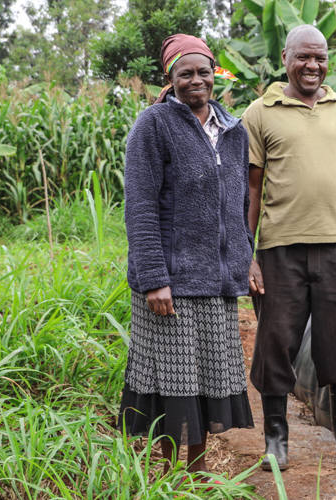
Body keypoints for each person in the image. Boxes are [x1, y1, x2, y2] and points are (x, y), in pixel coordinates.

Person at [242, 25, 336, 472]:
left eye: (320, 58)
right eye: (303, 57)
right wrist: (245, 252)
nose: (312, 66)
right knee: (276, 343)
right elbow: (251, 188)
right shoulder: (260, 112)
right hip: (278, 250)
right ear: (286, 58)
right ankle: (276, 440)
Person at [118, 34, 254, 481]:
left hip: (215, 283)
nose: (196, 81)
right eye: (185, 73)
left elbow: (236, 206)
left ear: (214, 73)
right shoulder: (153, 125)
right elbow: (139, 206)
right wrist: (155, 277)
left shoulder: (234, 131)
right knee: (172, 388)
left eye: (203, 72)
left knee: (206, 388)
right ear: (170, 78)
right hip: (171, 284)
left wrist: (243, 260)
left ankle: (195, 478)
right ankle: (165, 477)